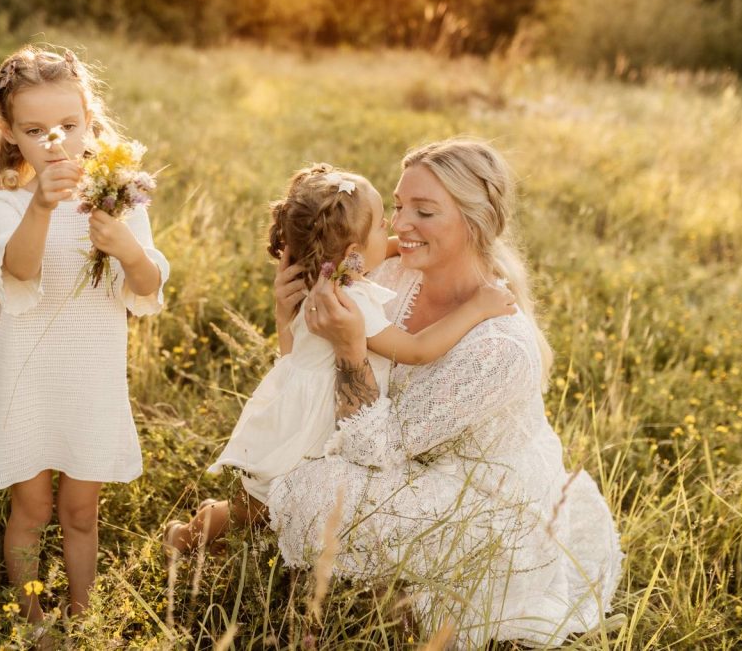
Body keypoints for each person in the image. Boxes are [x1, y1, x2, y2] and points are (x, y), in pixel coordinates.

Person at [266, 139, 624, 647]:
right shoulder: (391, 273)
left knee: (314, 489)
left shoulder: (499, 345)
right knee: (291, 460)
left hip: (478, 496)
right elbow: (308, 383)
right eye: (397, 205)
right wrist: (290, 319)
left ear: (474, 222)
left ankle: (391, 605)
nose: (398, 225)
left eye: (424, 211)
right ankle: (362, 588)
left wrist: (351, 351)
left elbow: (376, 448)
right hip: (403, 458)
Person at [164, 164, 516, 555]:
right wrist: (477, 309)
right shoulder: (355, 301)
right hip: (312, 426)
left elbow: (366, 254)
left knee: (264, 508)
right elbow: (415, 350)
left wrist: (396, 245)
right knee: (256, 509)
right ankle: (184, 537)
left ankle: (211, 536)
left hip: (298, 410)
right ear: (352, 255)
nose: (396, 232)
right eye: (385, 226)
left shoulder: (324, 279)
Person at [0, 46, 169, 622]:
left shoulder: (118, 195)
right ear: (11, 134)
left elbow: (149, 287)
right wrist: (41, 205)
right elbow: (18, 272)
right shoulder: (10, 199)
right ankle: (34, 621)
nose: (55, 141)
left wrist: (127, 246)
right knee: (32, 507)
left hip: (91, 374)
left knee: (82, 511)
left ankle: (82, 614)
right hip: (31, 375)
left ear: (90, 118)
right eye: (36, 130)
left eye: (68, 125)